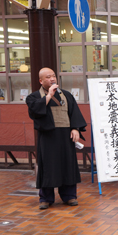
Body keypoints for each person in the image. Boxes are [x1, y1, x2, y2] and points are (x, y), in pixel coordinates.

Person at [26, 67, 87, 210]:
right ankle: (46, 198)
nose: (52, 79)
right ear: (40, 81)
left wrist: (75, 128)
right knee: (48, 166)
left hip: (65, 135)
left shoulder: (66, 95)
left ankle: (69, 196)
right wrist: (48, 96)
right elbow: (34, 111)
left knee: (68, 165)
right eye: (48, 77)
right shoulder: (34, 97)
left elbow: (74, 113)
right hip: (48, 136)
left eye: (53, 76)